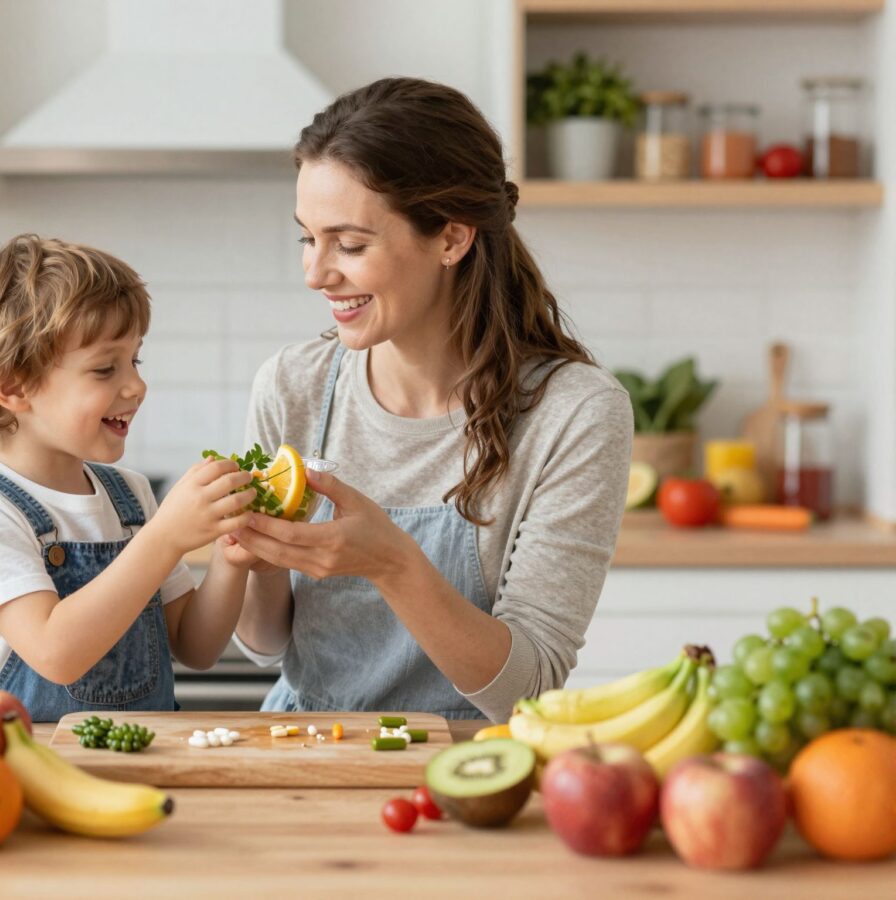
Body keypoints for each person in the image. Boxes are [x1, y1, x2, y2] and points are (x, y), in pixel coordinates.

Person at [225, 78, 634, 722]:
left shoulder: (574, 414)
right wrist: (260, 557)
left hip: (474, 773)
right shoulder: (292, 386)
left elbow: (526, 690)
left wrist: (392, 564)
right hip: (309, 757)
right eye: (308, 237)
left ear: (451, 238)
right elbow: (265, 644)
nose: (315, 272)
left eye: (351, 244)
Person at [0, 234, 255, 720]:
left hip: (140, 770)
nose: (136, 385)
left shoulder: (131, 496)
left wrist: (232, 554)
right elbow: (56, 652)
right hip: (26, 773)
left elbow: (197, 646)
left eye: (135, 360)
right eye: (104, 369)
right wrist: (164, 539)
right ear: (14, 386)